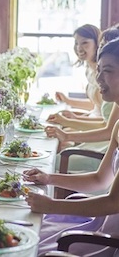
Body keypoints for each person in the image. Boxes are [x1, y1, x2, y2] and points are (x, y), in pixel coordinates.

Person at [24, 38, 119, 256]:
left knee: (30, 243)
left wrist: (52, 205)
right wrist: (49, 178)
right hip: (101, 225)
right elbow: (99, 180)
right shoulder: (118, 127)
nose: (99, 77)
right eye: (100, 70)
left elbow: (114, 202)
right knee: (28, 230)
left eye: (108, 71)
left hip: (110, 240)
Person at [45, 25, 119, 173]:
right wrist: (69, 105)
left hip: (103, 147)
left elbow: (106, 128)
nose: (102, 50)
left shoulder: (112, 88)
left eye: (85, 42)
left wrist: (68, 125)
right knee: (53, 149)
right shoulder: (100, 76)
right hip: (103, 144)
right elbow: (96, 109)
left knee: (51, 160)